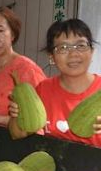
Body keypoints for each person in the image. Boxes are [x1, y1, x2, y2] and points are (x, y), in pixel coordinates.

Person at [9, 18, 101, 147]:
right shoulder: (44, 89)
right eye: (63, 47)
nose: (73, 53)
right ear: (51, 57)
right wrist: (16, 114)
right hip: (55, 163)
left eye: (81, 45)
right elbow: (17, 134)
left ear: (92, 52)